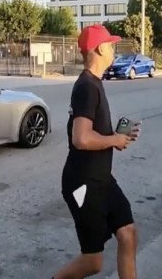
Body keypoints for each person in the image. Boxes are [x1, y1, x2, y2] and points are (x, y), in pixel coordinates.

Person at [53, 24, 141, 279]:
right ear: (101, 48)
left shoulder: (93, 83)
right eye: (111, 44)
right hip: (82, 185)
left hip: (102, 179)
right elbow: (80, 138)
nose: (114, 48)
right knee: (93, 262)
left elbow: (90, 132)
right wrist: (114, 139)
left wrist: (117, 136)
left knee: (128, 234)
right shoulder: (87, 87)